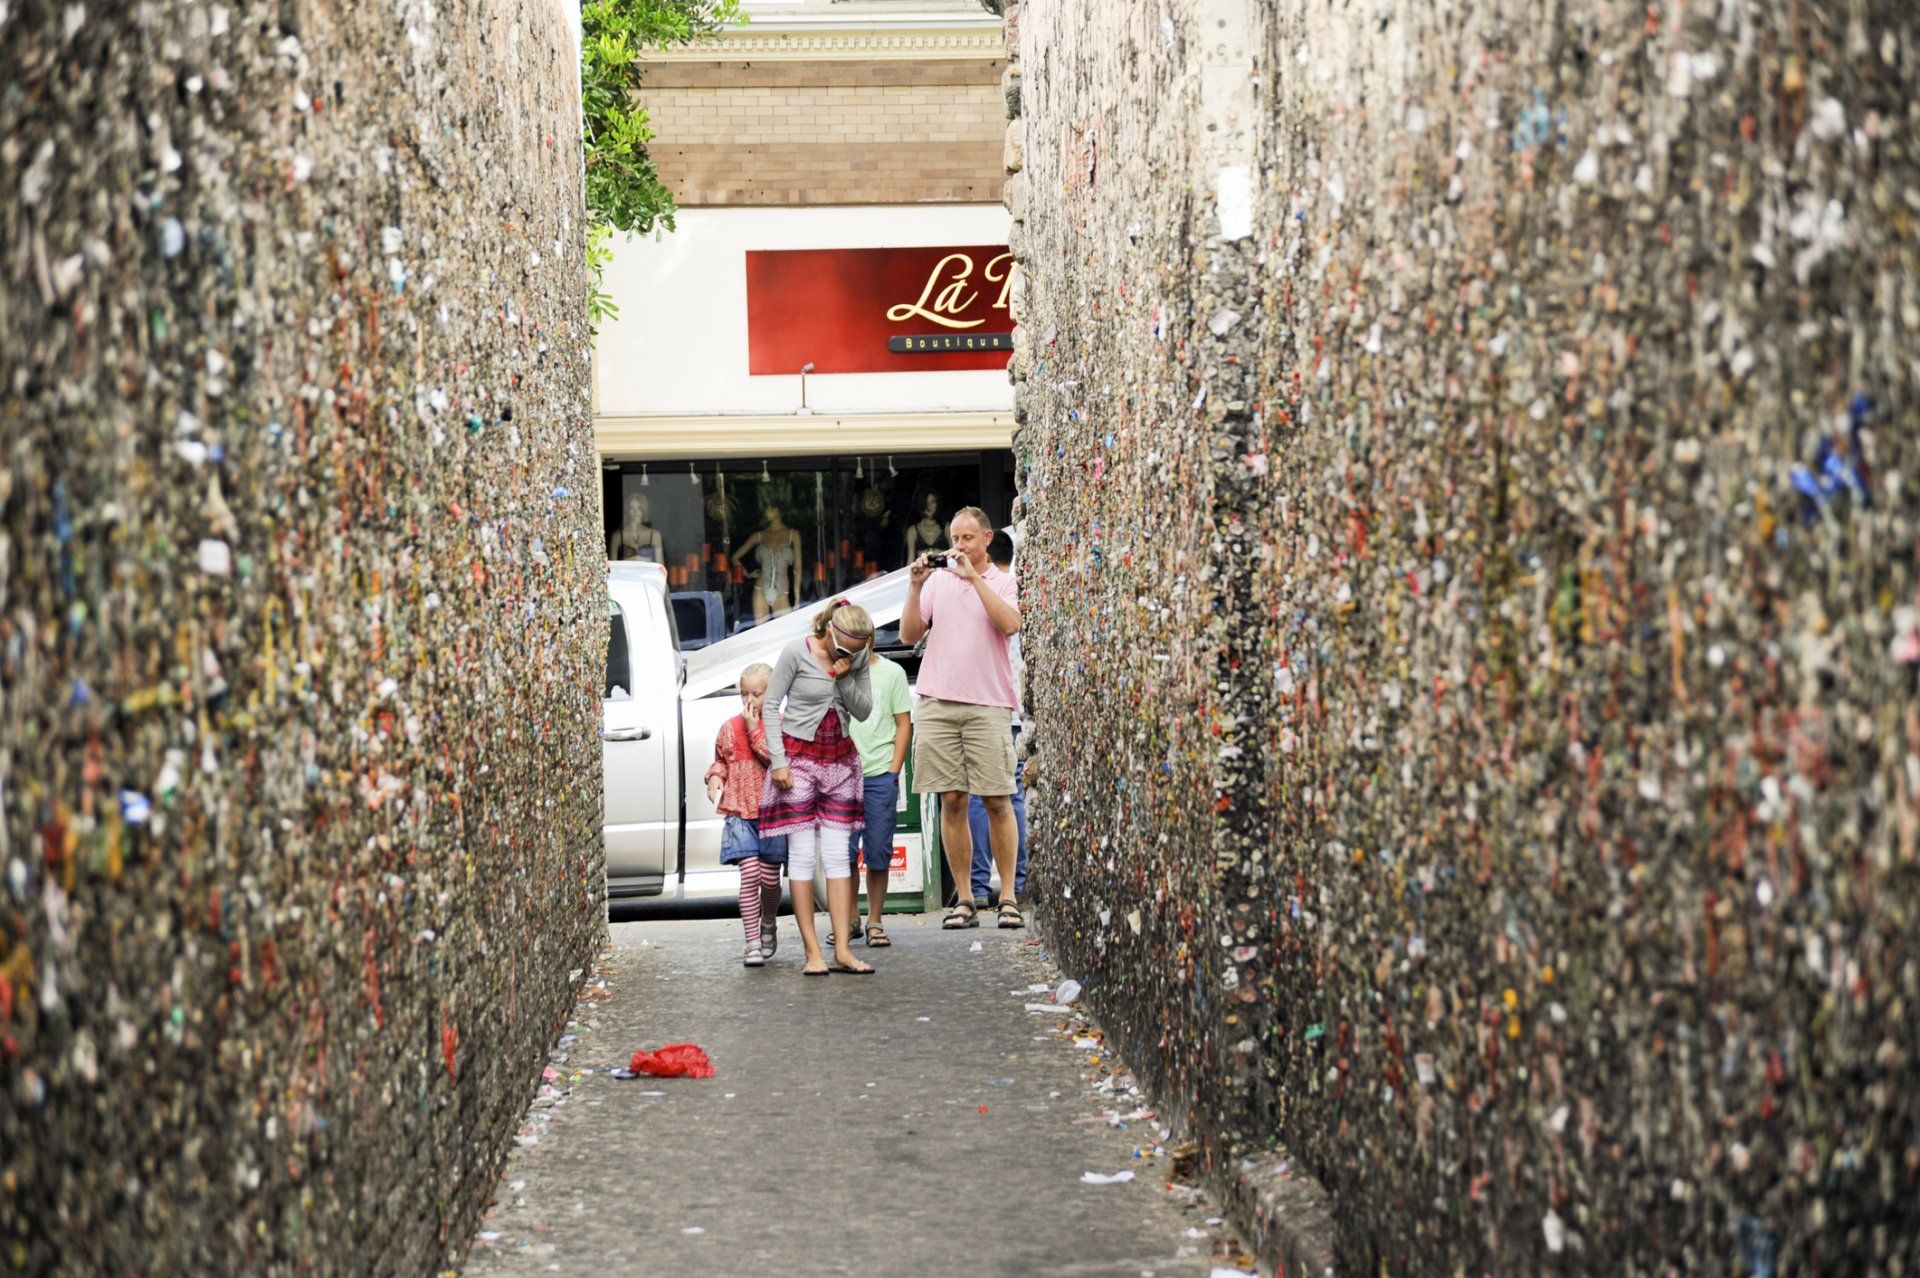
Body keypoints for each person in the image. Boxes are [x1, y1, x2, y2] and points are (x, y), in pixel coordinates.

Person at [900, 507, 1024, 930]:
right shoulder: (937, 581)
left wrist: (974, 578)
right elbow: (909, 636)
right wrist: (915, 588)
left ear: (987, 539)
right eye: (955, 539)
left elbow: (1009, 625)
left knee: (996, 799)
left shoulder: (1005, 581)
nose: (959, 547)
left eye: (967, 538)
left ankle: (1007, 896)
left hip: (988, 703)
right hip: (937, 701)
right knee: (951, 800)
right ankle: (966, 899)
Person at [760, 600, 877, 975]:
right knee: (803, 856)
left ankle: (843, 949)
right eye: (844, 649)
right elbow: (771, 705)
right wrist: (777, 761)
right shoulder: (797, 651)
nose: (850, 656)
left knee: (839, 855)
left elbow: (863, 712)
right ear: (829, 631)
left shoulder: (856, 659)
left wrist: (845, 676)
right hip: (798, 758)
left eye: (857, 652)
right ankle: (813, 951)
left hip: (840, 758)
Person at [704, 663, 788, 967]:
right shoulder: (728, 727)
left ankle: (769, 921)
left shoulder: (780, 724)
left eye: (757, 693)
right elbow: (720, 761)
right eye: (744, 694)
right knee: (750, 873)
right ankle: (752, 941)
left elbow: (775, 759)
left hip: (772, 814)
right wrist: (715, 776)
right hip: (740, 811)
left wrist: (755, 732)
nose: (748, 700)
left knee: (770, 879)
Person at [968, 531, 1028, 904]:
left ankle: (977, 885)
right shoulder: (1023, 591)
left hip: (987, 704)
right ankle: (1016, 883)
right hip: (1015, 708)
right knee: (1011, 796)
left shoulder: (991, 591)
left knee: (979, 796)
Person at [845, 649, 914, 948]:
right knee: (843, 854)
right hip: (842, 775)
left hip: (879, 772)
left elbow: (903, 723)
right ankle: (849, 919)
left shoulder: (892, 672)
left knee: (878, 851)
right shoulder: (837, 671)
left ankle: (875, 919)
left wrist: (893, 770)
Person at [736, 502, 802, 624]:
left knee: (785, 631)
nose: (766, 512)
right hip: (760, 588)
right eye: (765, 509)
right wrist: (748, 574)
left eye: (770, 508)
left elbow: (797, 567)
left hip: (782, 590)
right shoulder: (759, 536)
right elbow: (735, 558)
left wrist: (797, 597)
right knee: (761, 633)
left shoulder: (793, 534)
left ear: (779, 510)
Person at [608, 493, 664, 563]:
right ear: (627, 510)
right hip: (626, 573)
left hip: (647, 573)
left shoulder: (655, 535)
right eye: (632, 508)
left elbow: (660, 566)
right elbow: (613, 566)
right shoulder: (618, 536)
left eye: (639, 508)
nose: (635, 512)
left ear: (643, 510)